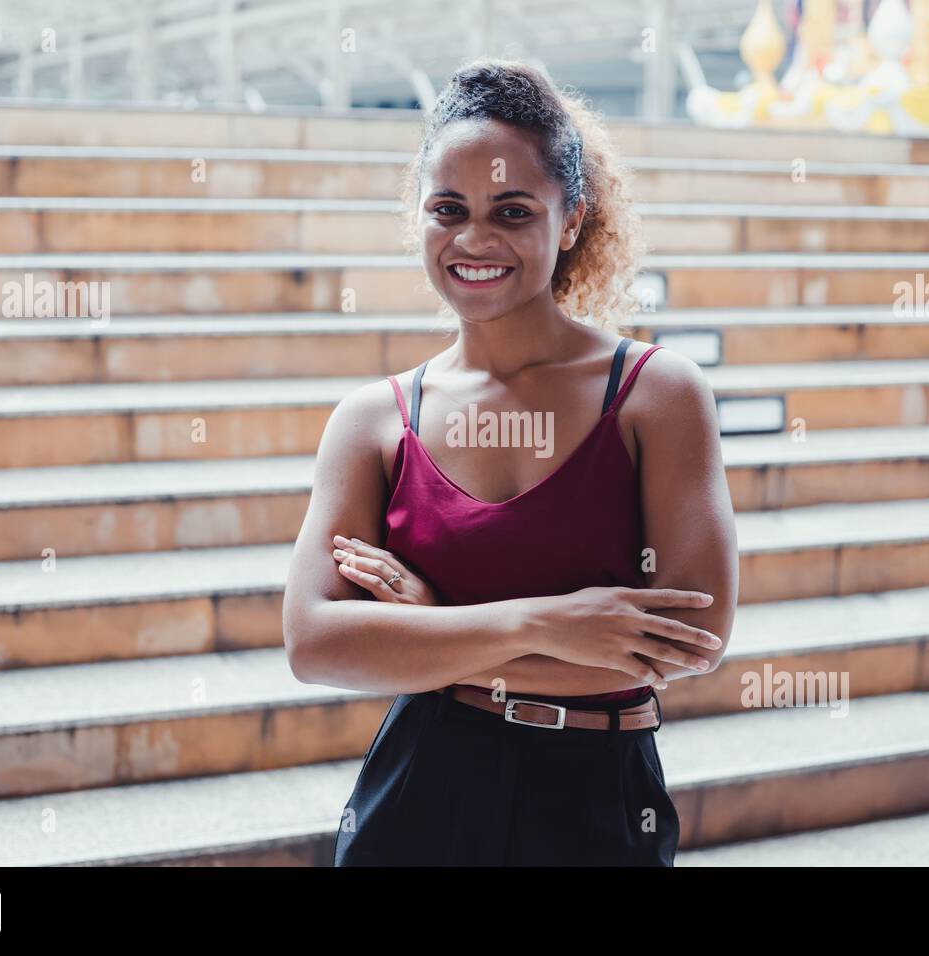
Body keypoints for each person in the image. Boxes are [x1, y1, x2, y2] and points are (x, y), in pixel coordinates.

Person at [281, 58, 739, 866]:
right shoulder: (374, 420)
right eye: (447, 209)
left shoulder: (654, 394)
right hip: (423, 787)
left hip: (597, 799)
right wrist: (553, 624)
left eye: (512, 210)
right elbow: (315, 643)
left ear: (571, 220)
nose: (475, 238)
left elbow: (687, 638)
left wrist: (428, 632)